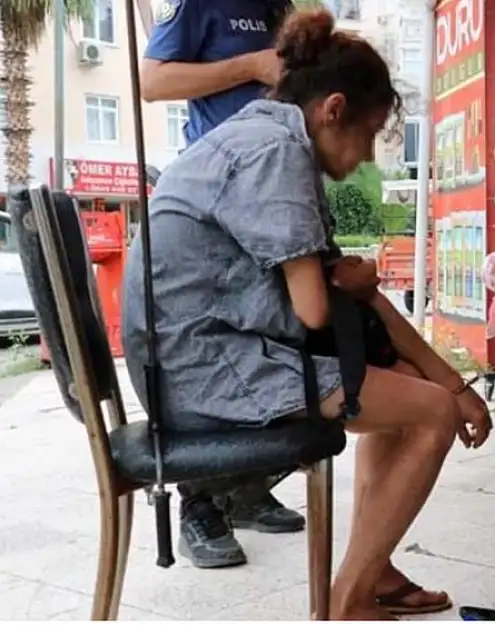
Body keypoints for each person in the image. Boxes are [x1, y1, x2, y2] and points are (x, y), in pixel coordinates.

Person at [122, 9, 492, 619]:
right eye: (371, 133)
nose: (369, 155)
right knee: (431, 415)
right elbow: (318, 309)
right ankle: (346, 599)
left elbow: (353, 299)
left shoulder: (268, 133)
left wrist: (454, 380)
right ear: (334, 109)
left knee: (410, 381)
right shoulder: (275, 153)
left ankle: (374, 570)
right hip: (206, 372)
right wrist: (446, 391)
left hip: (201, 354)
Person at [140, 0, 304, 570]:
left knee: (274, 338)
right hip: (213, 203)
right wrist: (252, 66)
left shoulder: (278, 7)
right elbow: (152, 80)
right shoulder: (203, 5)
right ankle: (198, 503)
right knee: (206, 345)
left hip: (271, 192)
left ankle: (248, 487)